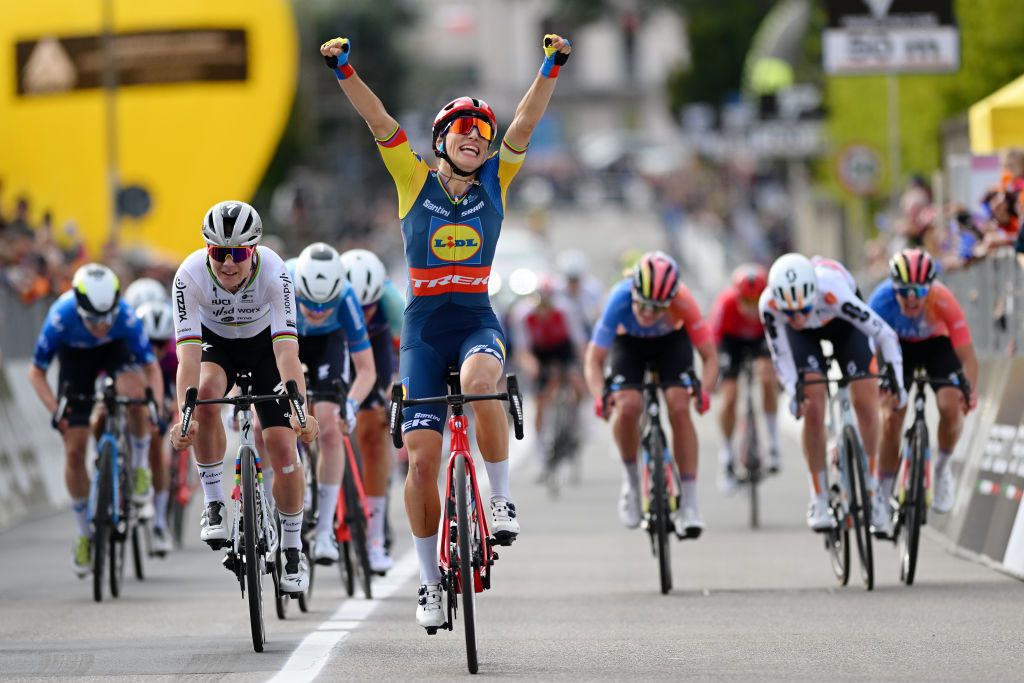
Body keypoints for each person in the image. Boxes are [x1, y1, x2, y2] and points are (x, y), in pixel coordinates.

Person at [320, 31, 571, 629]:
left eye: (482, 134)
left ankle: (501, 495)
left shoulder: (496, 183)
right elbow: (378, 118)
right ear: (440, 142)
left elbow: (528, 119)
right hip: (425, 332)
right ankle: (429, 585)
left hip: (474, 319)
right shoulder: (413, 180)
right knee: (424, 463)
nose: (474, 138)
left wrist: (550, 66)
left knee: (485, 377)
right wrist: (344, 70)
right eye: (462, 131)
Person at [168, 200, 318, 594]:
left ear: (254, 251)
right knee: (204, 393)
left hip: (266, 347)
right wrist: (182, 416)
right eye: (219, 253)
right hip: (217, 346)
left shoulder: (275, 271)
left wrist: (299, 409)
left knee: (282, 445)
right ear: (207, 251)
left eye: (237, 253)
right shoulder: (189, 276)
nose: (228, 264)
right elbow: (186, 358)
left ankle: (290, 546)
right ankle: (215, 501)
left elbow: (287, 351)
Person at [27, 263, 164, 576]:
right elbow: (36, 372)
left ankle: (139, 466)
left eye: (107, 317)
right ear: (79, 306)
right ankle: (84, 535)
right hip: (76, 363)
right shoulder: (60, 317)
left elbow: (152, 369)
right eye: (93, 319)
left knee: (135, 397)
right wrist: (55, 410)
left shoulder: (126, 317)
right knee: (74, 450)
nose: (101, 325)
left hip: (116, 353)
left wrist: (152, 403)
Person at [759, 253, 905, 534]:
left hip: (843, 325)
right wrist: (793, 391)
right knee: (812, 405)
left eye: (803, 309)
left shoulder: (833, 291)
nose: (799, 317)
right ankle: (819, 497)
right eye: (791, 313)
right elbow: (781, 355)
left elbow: (885, 335)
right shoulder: (770, 305)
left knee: (866, 401)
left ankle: (873, 491)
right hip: (804, 342)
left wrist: (896, 381)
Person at [583, 251, 717, 537]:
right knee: (628, 404)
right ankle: (631, 483)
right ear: (634, 291)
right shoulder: (618, 298)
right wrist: (599, 395)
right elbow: (594, 360)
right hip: (628, 346)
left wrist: (704, 391)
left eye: (657, 309)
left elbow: (710, 357)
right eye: (642, 305)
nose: (647, 314)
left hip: (671, 344)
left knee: (679, 404)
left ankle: (690, 503)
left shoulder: (684, 301)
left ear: (671, 300)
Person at [868, 249, 978, 519]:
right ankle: (882, 490)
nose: (912, 299)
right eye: (905, 291)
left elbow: (967, 356)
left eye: (919, 291)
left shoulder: (943, 300)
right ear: (894, 287)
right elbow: (867, 352)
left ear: (930, 287)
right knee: (892, 416)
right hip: (896, 349)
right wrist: (879, 386)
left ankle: (941, 469)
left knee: (951, 407)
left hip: (935, 347)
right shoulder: (880, 301)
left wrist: (970, 391)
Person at [287, 243, 377, 568]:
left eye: (326, 305)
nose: (318, 311)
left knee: (329, 426)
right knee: (281, 420)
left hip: (327, 345)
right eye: (309, 303)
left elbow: (366, 368)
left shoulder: (347, 298)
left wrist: (350, 404)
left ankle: (325, 530)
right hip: (287, 342)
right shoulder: (281, 280)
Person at [340, 248, 405, 573]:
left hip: (374, 356)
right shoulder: (327, 295)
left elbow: (408, 350)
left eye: (369, 306)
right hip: (334, 346)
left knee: (375, 431)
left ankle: (376, 534)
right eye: (357, 305)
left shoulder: (392, 302)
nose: (363, 313)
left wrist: (396, 391)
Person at [711, 263, 779, 493]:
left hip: (761, 338)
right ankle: (727, 454)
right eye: (746, 301)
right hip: (731, 342)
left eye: (755, 301)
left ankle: (772, 444)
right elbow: (711, 344)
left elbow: (781, 341)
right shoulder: (725, 304)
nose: (751, 308)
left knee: (767, 377)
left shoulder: (771, 305)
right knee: (729, 397)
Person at [510, 274, 587, 439]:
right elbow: (521, 349)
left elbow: (579, 341)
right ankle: (539, 440)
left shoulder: (566, 309)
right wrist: (532, 366)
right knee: (541, 397)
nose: (544, 312)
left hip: (562, 348)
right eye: (541, 307)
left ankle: (577, 422)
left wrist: (583, 365)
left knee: (577, 382)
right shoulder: (522, 313)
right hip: (539, 351)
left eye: (548, 306)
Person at [135, 300, 177, 556]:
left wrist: (174, 408)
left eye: (160, 343)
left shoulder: (173, 354)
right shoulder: (130, 345)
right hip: (135, 392)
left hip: (161, 396)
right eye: (150, 342)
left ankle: (160, 523)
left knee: (154, 442)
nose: (155, 349)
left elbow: (180, 385)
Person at [557, 249, 604, 336]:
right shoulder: (557, 290)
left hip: (590, 327)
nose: (573, 284)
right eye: (570, 279)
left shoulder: (593, 288)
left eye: (576, 279)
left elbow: (599, 312)